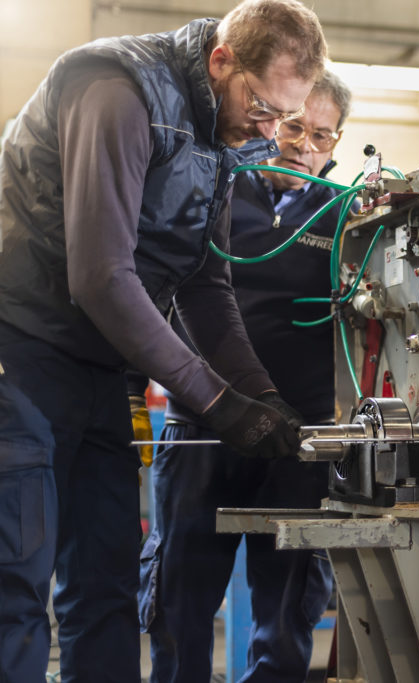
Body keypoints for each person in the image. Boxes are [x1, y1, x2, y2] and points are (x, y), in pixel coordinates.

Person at [0, 1, 327, 681]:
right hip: (21, 352)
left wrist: (262, 399)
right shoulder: (117, 92)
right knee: (16, 583)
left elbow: (207, 285)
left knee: (106, 584)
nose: (270, 130)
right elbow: (102, 278)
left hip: (101, 370)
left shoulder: (221, 136)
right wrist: (216, 402)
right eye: (264, 108)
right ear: (221, 60)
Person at [136, 70, 352, 683]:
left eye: (322, 136)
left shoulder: (348, 220)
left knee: (287, 606)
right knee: (180, 593)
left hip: (299, 438)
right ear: (269, 119)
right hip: (201, 422)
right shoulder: (211, 190)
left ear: (337, 143)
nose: (304, 146)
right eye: (293, 127)